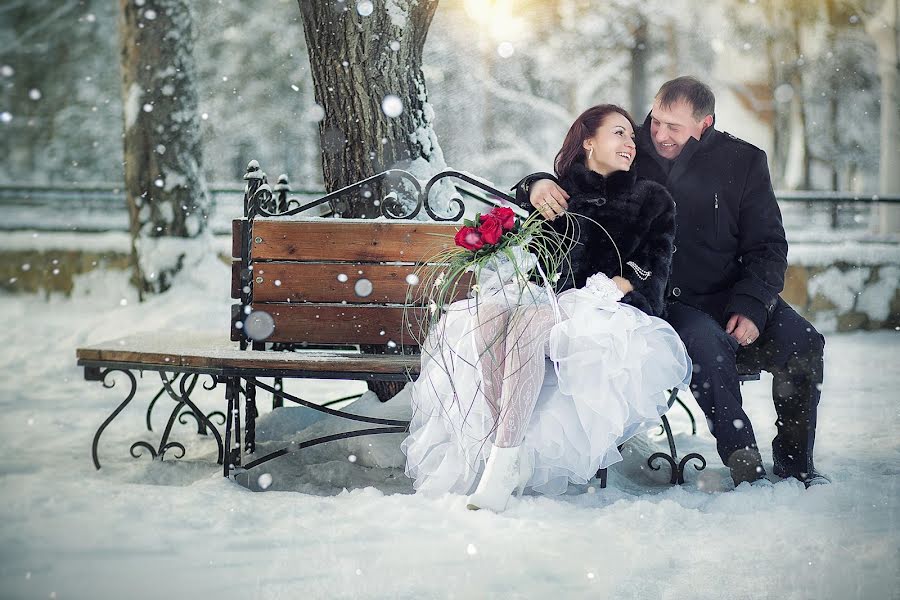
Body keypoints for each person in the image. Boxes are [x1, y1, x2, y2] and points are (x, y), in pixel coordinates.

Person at [521, 76, 829, 488]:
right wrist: (535, 184)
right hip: (667, 299)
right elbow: (577, 170)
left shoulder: (743, 161)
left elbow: (769, 245)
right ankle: (743, 459)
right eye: (657, 122)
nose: (660, 135)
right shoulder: (633, 149)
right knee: (707, 344)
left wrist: (753, 304)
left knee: (803, 343)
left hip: (733, 291)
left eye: (675, 127)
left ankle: (795, 464)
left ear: (705, 123)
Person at [401, 105, 691, 512]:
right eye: (619, 134)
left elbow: (654, 267)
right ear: (589, 141)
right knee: (487, 316)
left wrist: (611, 288)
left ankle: (503, 461)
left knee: (527, 323)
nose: (630, 143)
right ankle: (502, 451)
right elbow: (522, 225)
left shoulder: (651, 197)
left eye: (631, 138)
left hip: (610, 306)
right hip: (549, 300)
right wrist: (532, 186)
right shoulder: (558, 192)